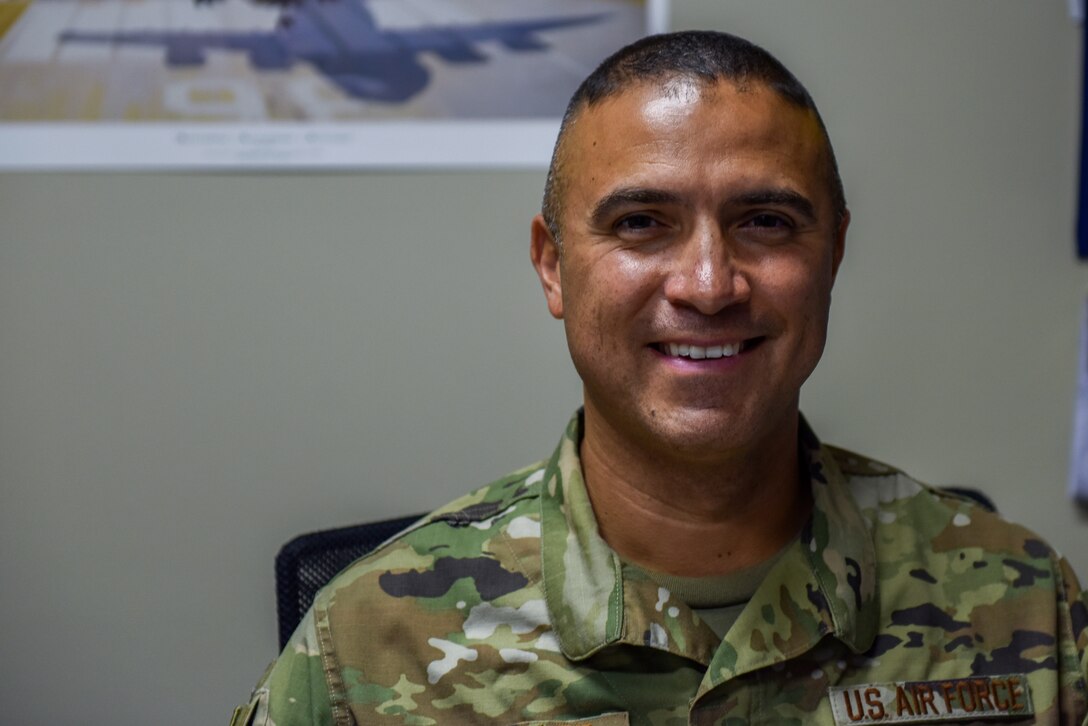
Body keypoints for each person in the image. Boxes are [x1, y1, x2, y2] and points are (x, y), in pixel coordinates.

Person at [232, 31, 1088, 726]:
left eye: (766, 221)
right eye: (642, 223)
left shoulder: (1023, 603)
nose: (710, 285)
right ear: (552, 267)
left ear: (833, 253)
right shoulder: (373, 641)